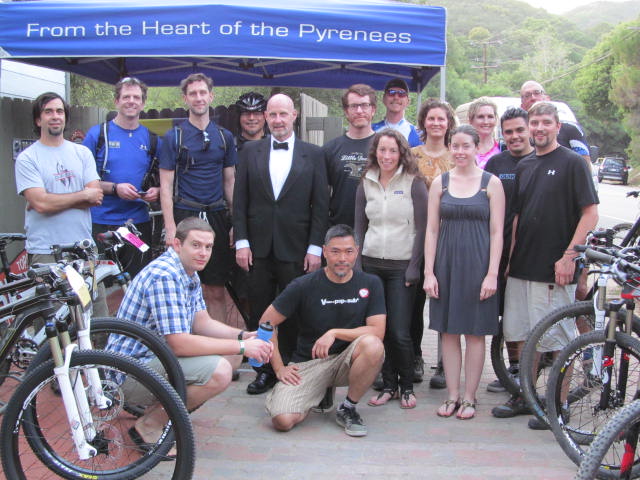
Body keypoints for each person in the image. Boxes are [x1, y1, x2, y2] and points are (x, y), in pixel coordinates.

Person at [106, 217, 273, 454]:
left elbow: (202, 322)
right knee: (220, 371)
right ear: (177, 244)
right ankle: (149, 425)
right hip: (129, 372)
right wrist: (244, 348)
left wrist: (244, 336)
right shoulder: (165, 276)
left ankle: (160, 413)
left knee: (232, 355)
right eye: (196, 245)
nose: (203, 253)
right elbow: (179, 344)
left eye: (208, 247)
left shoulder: (188, 271)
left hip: (153, 359)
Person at [500, 102, 598, 430]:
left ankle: (558, 404)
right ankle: (527, 397)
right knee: (524, 336)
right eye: (535, 122)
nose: (539, 128)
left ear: (557, 126)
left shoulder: (572, 163)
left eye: (546, 122)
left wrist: (570, 256)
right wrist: (510, 260)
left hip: (555, 269)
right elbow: (518, 217)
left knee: (558, 341)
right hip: (522, 267)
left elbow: (590, 213)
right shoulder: (525, 165)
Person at [233, 93, 329, 395]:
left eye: (283, 114)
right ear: (265, 117)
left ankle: (291, 364)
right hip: (258, 247)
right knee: (260, 310)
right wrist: (242, 242)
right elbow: (240, 200)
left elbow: (321, 205)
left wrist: (315, 247)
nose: (277, 120)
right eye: (272, 114)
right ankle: (263, 371)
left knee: (294, 310)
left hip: (297, 247)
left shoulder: (314, 154)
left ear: (294, 115)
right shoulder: (249, 151)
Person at [264, 224, 385, 437]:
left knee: (373, 345)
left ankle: (348, 407)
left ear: (357, 252)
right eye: (335, 251)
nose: (342, 258)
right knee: (282, 421)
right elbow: (266, 322)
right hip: (309, 362)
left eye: (348, 251)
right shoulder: (303, 285)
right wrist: (279, 368)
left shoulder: (371, 283)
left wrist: (334, 333)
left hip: (348, 360)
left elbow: (378, 331)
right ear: (324, 251)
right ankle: (319, 393)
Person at [424, 125, 505, 420]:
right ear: (450, 148)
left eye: (465, 146)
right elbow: (432, 230)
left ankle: (470, 397)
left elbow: (497, 232)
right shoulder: (440, 183)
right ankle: (452, 395)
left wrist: (492, 274)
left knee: (474, 333)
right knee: (448, 331)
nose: (460, 152)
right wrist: (429, 272)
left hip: (478, 266)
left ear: (476, 148)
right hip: (445, 265)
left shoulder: (491, 184)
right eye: (455, 146)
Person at [354, 129, 427, 410]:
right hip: (372, 264)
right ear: (375, 152)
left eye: (392, 151)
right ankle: (388, 385)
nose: (387, 156)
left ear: (401, 153)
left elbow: (423, 229)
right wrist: (358, 263)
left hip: (401, 266)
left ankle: (406, 386)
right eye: (382, 150)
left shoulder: (414, 182)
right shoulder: (366, 181)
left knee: (399, 331)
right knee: (379, 330)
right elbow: (359, 226)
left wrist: (414, 266)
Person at [159, 73, 236, 325]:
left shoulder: (224, 137)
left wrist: (236, 222)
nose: (199, 97)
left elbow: (230, 182)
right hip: (185, 215)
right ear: (185, 98)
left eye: (203, 92)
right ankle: (184, 343)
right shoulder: (174, 137)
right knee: (181, 288)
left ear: (211, 96)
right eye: (193, 93)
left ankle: (220, 345)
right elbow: (165, 186)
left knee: (215, 289)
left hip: (216, 216)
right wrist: (170, 227)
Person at [83, 77, 161, 278]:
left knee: (138, 279)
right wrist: (115, 188)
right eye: (126, 97)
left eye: (136, 97)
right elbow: (82, 180)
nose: (131, 101)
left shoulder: (152, 139)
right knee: (102, 283)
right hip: (102, 224)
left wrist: (158, 190)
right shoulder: (98, 135)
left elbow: (166, 178)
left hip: (137, 226)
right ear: (116, 101)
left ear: (143, 103)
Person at [15, 92, 103, 264]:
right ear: (38, 120)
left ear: (65, 117)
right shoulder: (27, 158)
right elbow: (42, 204)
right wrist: (84, 195)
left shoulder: (83, 153)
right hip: (46, 251)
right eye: (48, 112)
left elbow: (96, 198)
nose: (55, 116)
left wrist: (50, 201)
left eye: (59, 111)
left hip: (83, 248)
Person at [484, 108, 535, 400]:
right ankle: (512, 369)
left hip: (531, 252)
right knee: (506, 315)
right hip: (497, 249)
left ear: (529, 130)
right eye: (509, 132)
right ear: (502, 134)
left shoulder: (540, 160)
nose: (514, 136)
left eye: (519, 130)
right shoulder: (496, 163)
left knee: (527, 315)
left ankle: (529, 371)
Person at [410, 98, 456, 388]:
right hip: (415, 236)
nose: (436, 123)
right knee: (414, 300)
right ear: (423, 123)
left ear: (449, 123)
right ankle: (414, 356)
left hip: (449, 236)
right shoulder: (411, 156)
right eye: (431, 118)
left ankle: (444, 362)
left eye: (441, 119)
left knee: (445, 299)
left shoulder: (457, 155)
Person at [323, 83, 377, 228]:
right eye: (353, 106)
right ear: (346, 111)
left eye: (364, 105)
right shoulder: (330, 149)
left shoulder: (384, 148)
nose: (359, 111)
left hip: (375, 230)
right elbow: (320, 196)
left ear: (373, 109)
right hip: (339, 229)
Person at [519, 80, 591, 167]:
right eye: (527, 95)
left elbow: (585, 166)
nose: (533, 98)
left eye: (537, 93)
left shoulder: (571, 129)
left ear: (547, 98)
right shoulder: (517, 135)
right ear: (522, 106)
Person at [372, 78, 421, 147]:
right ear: (383, 99)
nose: (396, 97)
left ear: (408, 101)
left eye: (401, 93)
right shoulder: (372, 130)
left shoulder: (417, 134)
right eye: (391, 92)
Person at [468, 97, 500, 169]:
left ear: (496, 119)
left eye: (490, 117)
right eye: (481, 117)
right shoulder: (463, 150)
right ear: (470, 120)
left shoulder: (503, 149)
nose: (486, 122)